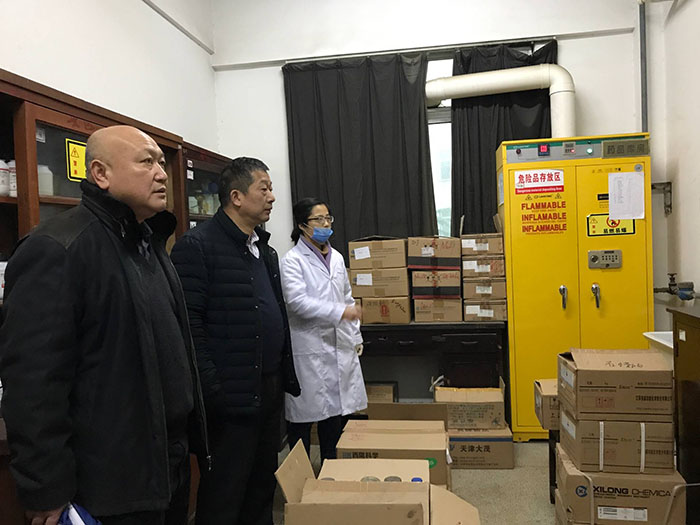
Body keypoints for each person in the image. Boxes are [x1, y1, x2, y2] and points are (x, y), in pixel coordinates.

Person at [0, 125, 208, 525]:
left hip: (167, 465)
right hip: (109, 485)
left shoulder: (149, 242)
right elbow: (33, 384)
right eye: (146, 162)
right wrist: (45, 487)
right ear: (100, 173)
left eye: (161, 163)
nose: (162, 174)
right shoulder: (59, 248)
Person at [171, 157, 300, 525]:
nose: (272, 197)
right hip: (229, 396)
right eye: (264, 188)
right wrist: (213, 390)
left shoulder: (263, 249)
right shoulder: (197, 246)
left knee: (261, 485)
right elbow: (189, 326)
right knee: (225, 492)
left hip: (267, 387)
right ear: (237, 197)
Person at [280, 198, 367, 462]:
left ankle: (330, 468)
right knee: (303, 419)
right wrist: (339, 312)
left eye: (328, 218)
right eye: (318, 219)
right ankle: (300, 476)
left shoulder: (337, 257)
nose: (325, 224)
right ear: (302, 225)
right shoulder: (292, 261)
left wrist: (355, 334)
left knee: (334, 415)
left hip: (339, 344)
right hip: (308, 348)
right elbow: (297, 302)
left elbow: (347, 297)